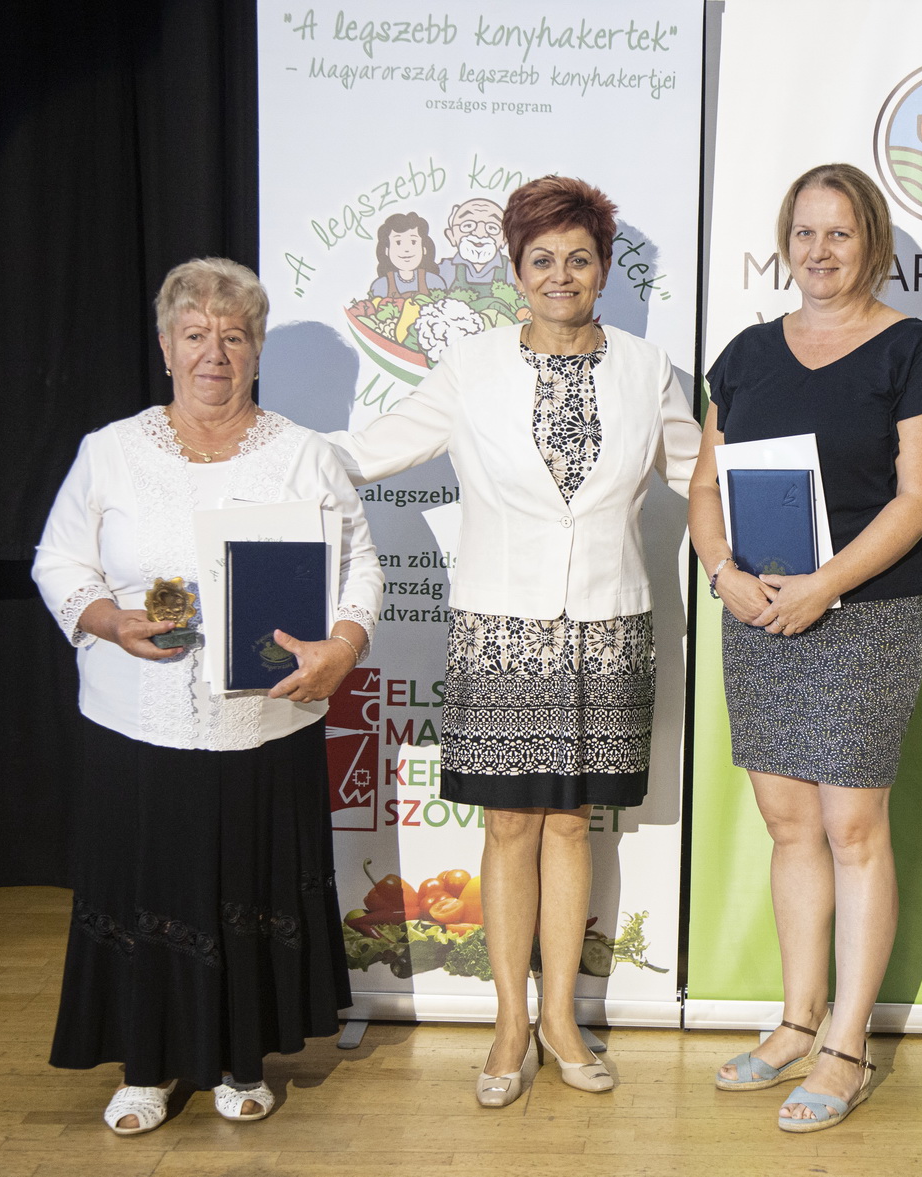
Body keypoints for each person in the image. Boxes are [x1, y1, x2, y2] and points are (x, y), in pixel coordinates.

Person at [325, 175, 700, 1107]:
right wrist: (258, 454)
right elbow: (370, 449)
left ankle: (562, 1019)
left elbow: (704, 475)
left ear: (604, 269)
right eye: (543, 259)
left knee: (572, 823)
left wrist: (793, 514)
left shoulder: (646, 368)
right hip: (499, 628)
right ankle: (507, 1026)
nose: (561, 274)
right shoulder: (472, 368)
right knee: (508, 825)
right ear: (516, 271)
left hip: (608, 627)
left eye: (579, 258)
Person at [32, 257, 383, 1135]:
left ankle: (241, 1058)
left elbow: (361, 570)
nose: (214, 353)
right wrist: (107, 618)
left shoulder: (304, 454)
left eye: (233, 335)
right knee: (145, 887)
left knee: (247, 886)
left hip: (264, 722)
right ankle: (143, 1067)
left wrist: (342, 647)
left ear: (257, 349)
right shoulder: (109, 451)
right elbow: (58, 560)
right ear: (166, 347)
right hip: (134, 722)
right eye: (195, 334)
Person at [688, 163, 922, 1133]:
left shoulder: (912, 351)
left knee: (853, 828)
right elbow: (705, 485)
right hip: (759, 614)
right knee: (788, 824)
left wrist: (825, 584)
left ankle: (846, 1043)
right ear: (785, 243)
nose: (819, 250)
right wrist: (721, 570)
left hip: (864, 616)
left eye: (839, 233)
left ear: (872, 243)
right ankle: (794, 1020)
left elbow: (921, 499)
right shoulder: (745, 354)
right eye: (804, 232)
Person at [369, 211, 448, 299]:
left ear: (424, 249)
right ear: (386, 251)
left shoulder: (434, 282)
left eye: (413, 242)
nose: (406, 249)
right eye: (398, 242)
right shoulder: (380, 286)